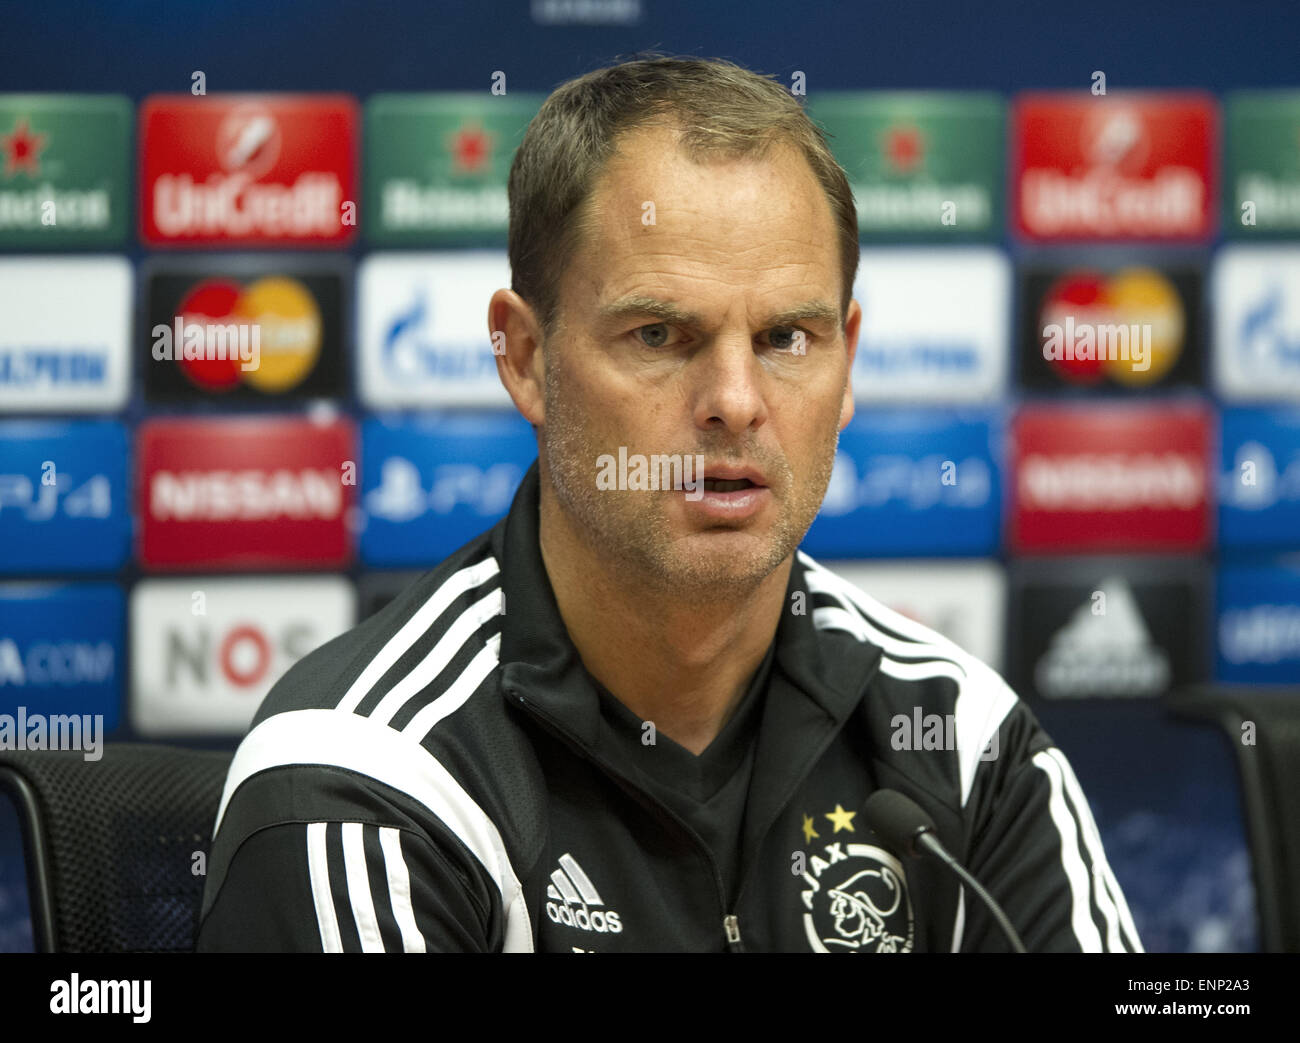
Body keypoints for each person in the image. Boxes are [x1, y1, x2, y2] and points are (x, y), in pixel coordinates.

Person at [196, 54, 1142, 953]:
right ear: (526, 359)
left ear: (847, 360)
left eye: (786, 337)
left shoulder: (960, 738)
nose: (736, 399)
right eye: (659, 334)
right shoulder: (370, 778)